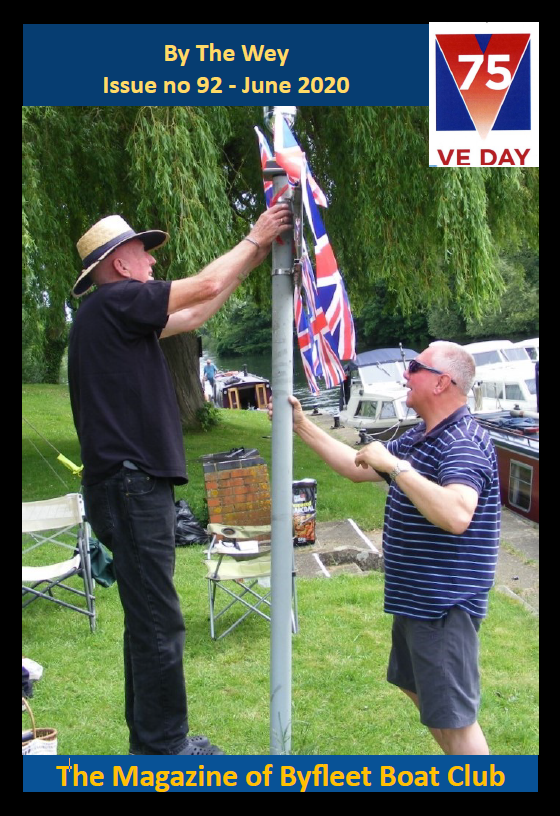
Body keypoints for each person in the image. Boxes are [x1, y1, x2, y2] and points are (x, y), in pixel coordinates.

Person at [68, 203, 292, 756]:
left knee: (147, 620)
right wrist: (254, 234)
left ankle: (152, 740)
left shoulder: (113, 315)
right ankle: (166, 751)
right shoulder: (117, 301)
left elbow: (197, 309)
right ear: (120, 265)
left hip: (125, 487)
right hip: (130, 486)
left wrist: (258, 252)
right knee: (159, 623)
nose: (151, 262)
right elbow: (205, 282)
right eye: (144, 253)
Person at [271, 341, 500, 755]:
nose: (404, 375)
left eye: (414, 367)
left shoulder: (461, 441)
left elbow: (456, 513)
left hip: (443, 606)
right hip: (418, 602)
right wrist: (301, 425)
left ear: (441, 382)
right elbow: (356, 466)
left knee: (456, 721)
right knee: (426, 700)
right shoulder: (423, 437)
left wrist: (396, 467)